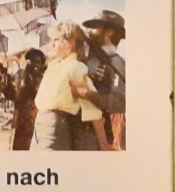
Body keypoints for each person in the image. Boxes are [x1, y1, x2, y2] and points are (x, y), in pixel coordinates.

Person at [32, 21, 108, 151]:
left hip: (54, 129)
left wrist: (103, 143)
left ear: (70, 42)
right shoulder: (55, 65)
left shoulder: (76, 68)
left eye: (56, 40)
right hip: (39, 127)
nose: (52, 44)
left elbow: (92, 110)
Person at [82, 9, 127, 149]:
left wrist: (88, 94)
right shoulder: (90, 57)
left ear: (109, 32)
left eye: (95, 27)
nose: (90, 31)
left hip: (99, 136)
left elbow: (119, 102)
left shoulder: (117, 63)